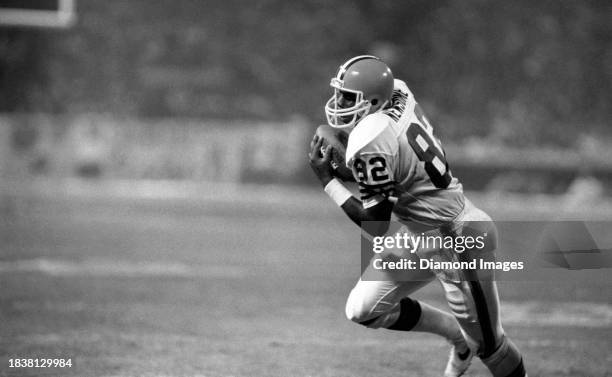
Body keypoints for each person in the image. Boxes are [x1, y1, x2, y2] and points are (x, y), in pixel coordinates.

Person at [308, 55, 527, 377]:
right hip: (418, 233)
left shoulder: (370, 136)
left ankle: (476, 344)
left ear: (372, 100)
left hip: (458, 240)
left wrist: (329, 181)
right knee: (363, 310)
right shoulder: (398, 89)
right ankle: (458, 338)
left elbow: (376, 226)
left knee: (492, 348)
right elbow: (397, 168)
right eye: (340, 93)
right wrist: (363, 172)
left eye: (348, 97)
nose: (339, 102)